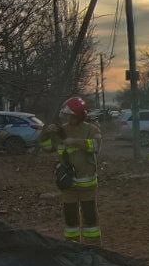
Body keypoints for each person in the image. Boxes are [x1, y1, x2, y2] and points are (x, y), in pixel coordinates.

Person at [40, 96, 102, 244]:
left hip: (87, 184)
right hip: (68, 184)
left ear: (80, 115)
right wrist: (46, 134)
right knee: (70, 218)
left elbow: (96, 146)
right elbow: (47, 148)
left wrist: (75, 141)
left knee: (90, 217)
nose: (69, 119)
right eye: (67, 116)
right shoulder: (61, 131)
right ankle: (72, 247)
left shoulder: (91, 129)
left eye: (71, 116)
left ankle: (93, 247)